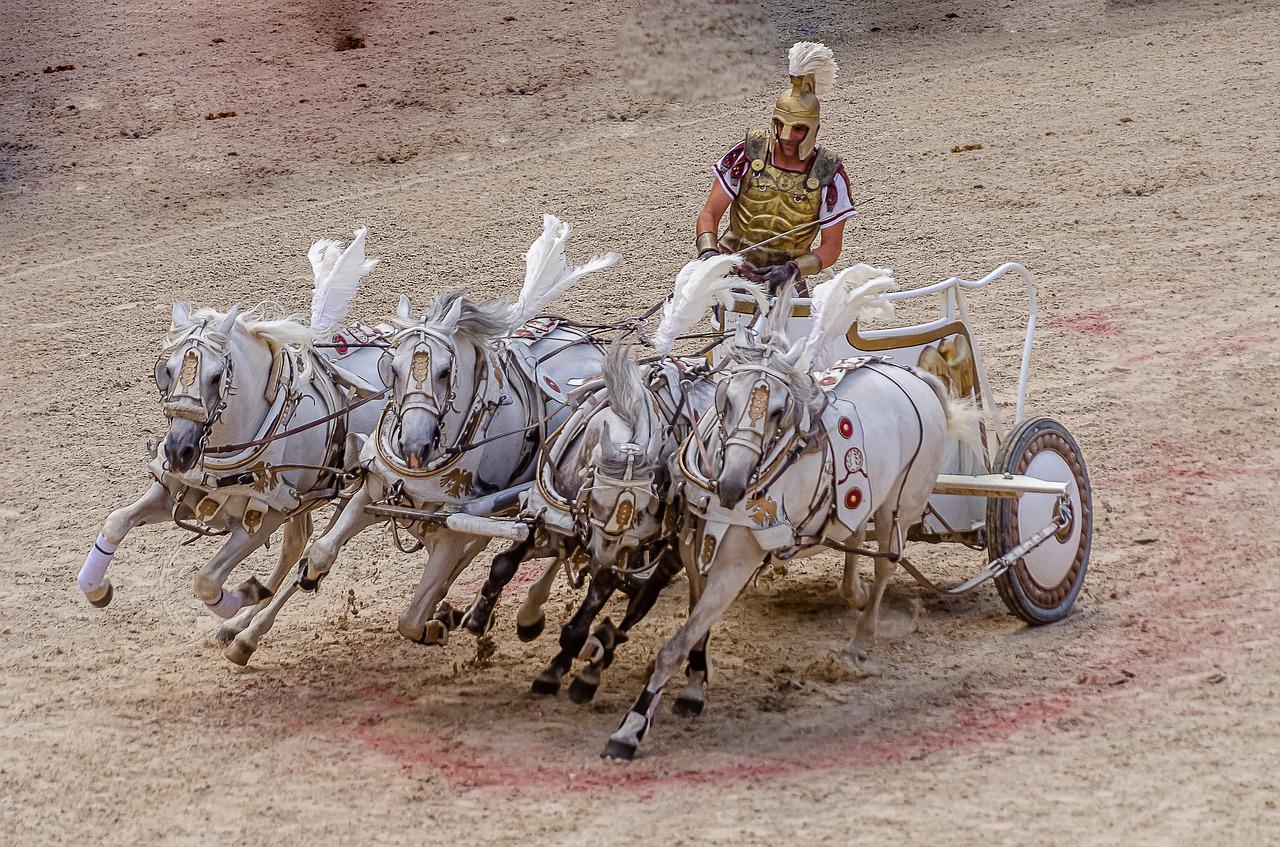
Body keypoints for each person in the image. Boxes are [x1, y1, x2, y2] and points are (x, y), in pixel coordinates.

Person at [695, 42, 855, 295]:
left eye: (799, 128)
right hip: (733, 273)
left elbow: (832, 247)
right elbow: (709, 214)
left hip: (783, 279)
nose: (787, 136)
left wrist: (794, 269)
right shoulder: (747, 154)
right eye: (781, 125)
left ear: (813, 128)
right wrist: (708, 251)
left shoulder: (828, 173)